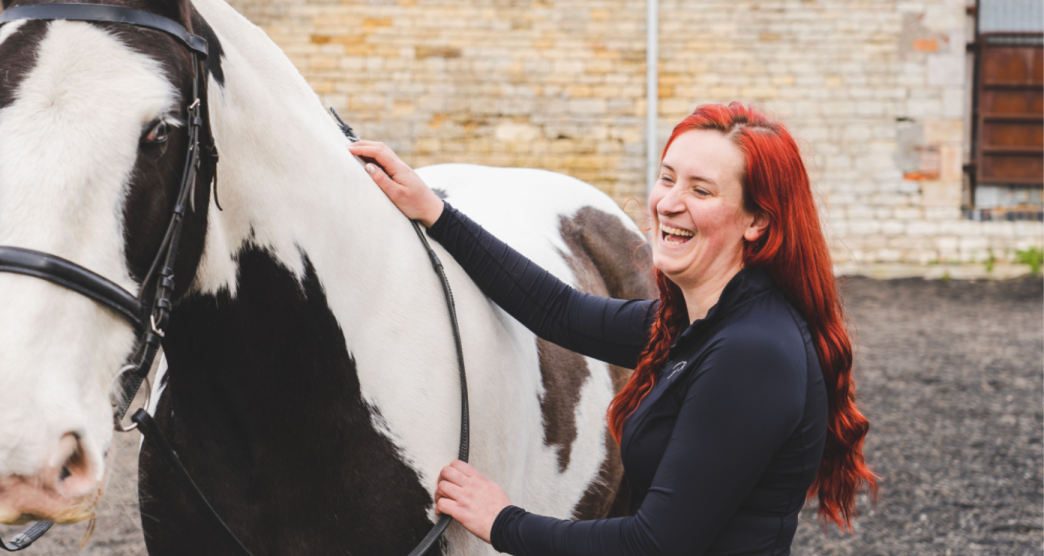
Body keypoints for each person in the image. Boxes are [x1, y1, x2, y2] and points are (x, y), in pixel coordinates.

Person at [348, 102, 878, 556]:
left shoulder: (751, 352)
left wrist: (501, 520)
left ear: (757, 221)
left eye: (702, 190)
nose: (670, 202)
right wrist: (435, 212)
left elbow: (654, 544)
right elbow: (560, 311)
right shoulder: (704, 323)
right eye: (667, 178)